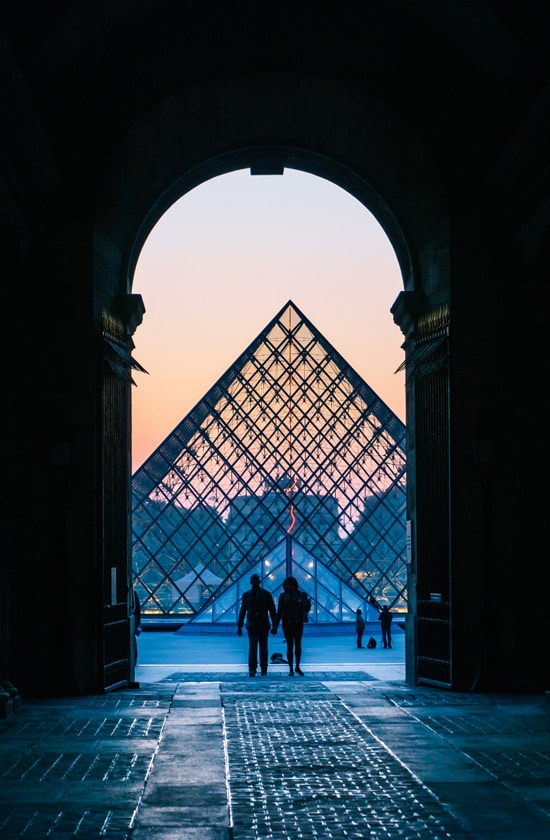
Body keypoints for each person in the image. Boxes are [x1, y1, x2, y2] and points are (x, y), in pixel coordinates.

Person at [237, 573, 277, 677]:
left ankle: (260, 668)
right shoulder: (265, 594)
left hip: (258, 623)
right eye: (253, 580)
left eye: (256, 580)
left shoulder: (249, 595)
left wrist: (240, 626)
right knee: (255, 647)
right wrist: (239, 625)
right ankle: (255, 669)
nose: (255, 582)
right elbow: (243, 610)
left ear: (258, 581)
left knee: (260, 647)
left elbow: (272, 611)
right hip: (257, 623)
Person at [272, 576, 311, 676]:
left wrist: (307, 603)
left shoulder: (301, 595)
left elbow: (306, 609)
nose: (288, 586)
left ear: (294, 585)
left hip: (297, 623)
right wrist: (275, 625)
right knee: (290, 645)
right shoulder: (283, 596)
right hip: (288, 623)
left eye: (289, 585)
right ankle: (291, 668)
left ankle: (296, 666)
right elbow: (279, 612)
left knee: (297, 645)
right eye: (286, 585)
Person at [132, 589, 142, 662]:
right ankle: (134, 657)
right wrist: (138, 623)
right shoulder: (133, 593)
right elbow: (138, 610)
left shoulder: (133, 593)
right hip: (134, 622)